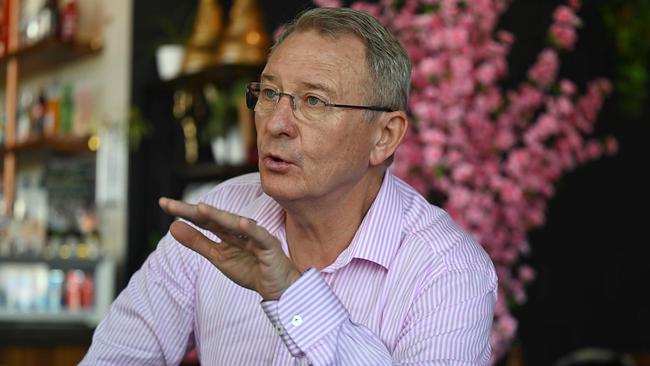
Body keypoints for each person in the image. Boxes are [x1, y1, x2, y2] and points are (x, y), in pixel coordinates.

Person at [81, 7, 497, 365]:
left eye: (314, 101)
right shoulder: (223, 212)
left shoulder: (448, 269)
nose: (276, 123)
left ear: (384, 136)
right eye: (269, 93)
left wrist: (294, 295)